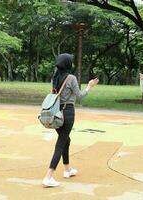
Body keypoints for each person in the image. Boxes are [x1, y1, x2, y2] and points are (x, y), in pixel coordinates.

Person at [42, 53, 99, 187]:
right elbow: (79, 95)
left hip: (55, 114)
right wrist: (90, 86)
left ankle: (67, 170)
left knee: (66, 140)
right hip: (67, 113)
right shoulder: (71, 78)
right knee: (61, 143)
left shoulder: (54, 78)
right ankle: (48, 176)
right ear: (68, 64)